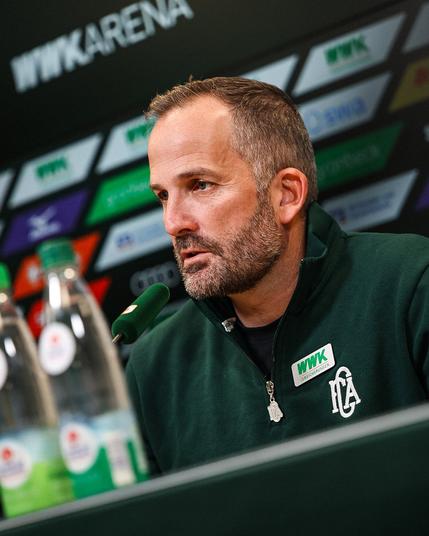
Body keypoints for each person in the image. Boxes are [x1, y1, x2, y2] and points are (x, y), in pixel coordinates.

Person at [126, 76, 429, 476]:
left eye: (200, 185)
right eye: (163, 196)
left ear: (286, 194)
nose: (173, 222)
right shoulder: (154, 367)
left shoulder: (411, 284)